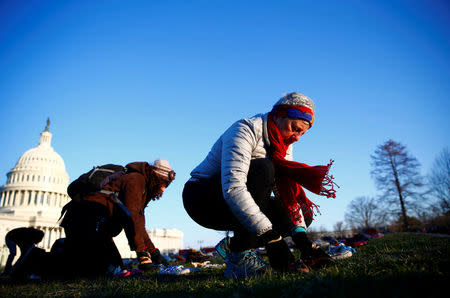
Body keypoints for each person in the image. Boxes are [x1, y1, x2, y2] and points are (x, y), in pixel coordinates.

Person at [183, 92, 337, 278]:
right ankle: (240, 256)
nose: (296, 137)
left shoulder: (284, 143)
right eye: (295, 129)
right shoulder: (245, 129)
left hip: (244, 192)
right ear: (279, 114)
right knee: (264, 168)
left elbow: (284, 191)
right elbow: (234, 187)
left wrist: (303, 240)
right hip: (203, 198)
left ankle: (232, 246)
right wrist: (271, 238)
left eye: (302, 134)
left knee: (302, 212)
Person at [59, 159, 175, 277]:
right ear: (155, 177)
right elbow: (131, 217)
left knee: (116, 267)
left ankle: (67, 251)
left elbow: (139, 225)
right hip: (84, 221)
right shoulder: (136, 180)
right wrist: (142, 254)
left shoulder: (144, 189)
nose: (163, 189)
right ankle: (54, 255)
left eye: (167, 185)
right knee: (86, 271)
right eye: (163, 183)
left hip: (99, 229)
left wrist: (154, 252)